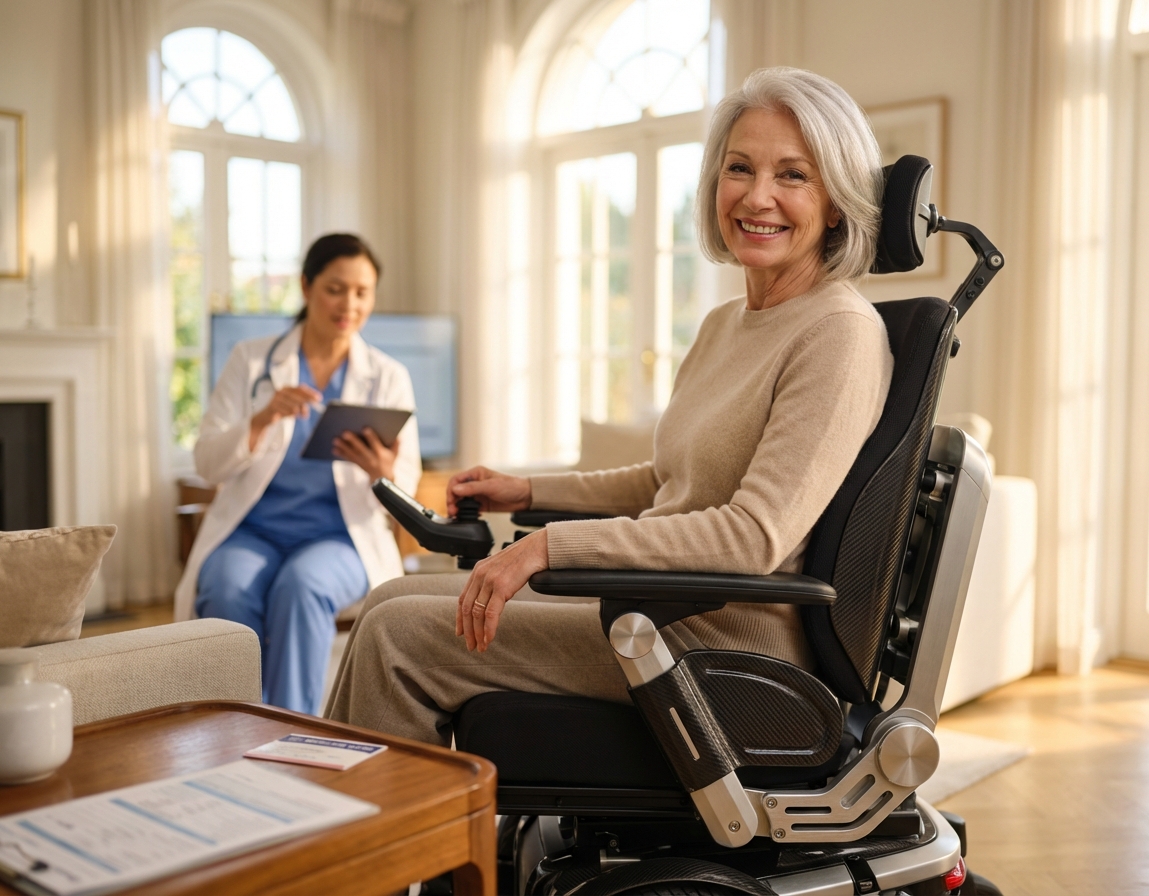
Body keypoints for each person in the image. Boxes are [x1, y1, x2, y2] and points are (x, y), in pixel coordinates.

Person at [326, 68, 893, 745]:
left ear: (836, 202)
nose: (758, 196)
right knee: (390, 598)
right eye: (739, 168)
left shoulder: (838, 332)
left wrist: (547, 547)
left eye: (793, 175)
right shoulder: (725, 324)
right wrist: (527, 489)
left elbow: (752, 536)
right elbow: (665, 484)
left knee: (397, 634)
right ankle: (358, 827)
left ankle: (388, 848)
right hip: (653, 610)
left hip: (719, 645)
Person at [174, 233, 421, 715]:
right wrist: (260, 419)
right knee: (226, 586)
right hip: (252, 533)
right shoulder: (252, 361)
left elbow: (406, 487)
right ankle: (231, 728)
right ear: (307, 287)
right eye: (335, 288)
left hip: (340, 539)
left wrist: (382, 471)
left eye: (362, 292)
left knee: (302, 585)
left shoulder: (388, 377)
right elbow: (206, 462)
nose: (348, 304)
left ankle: (291, 733)